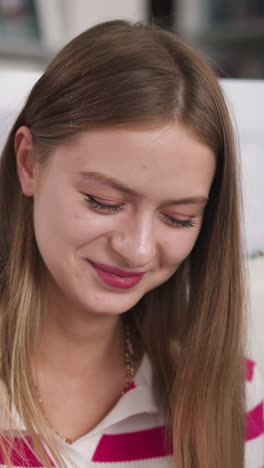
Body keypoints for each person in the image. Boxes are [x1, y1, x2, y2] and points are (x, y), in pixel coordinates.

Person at [0, 19, 262, 468]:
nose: (138, 250)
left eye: (178, 218)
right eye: (103, 202)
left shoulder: (235, 395)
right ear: (29, 164)